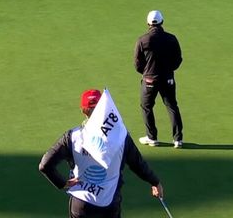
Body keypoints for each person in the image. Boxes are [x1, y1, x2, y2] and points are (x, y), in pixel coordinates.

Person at [39, 89, 164, 218]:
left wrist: (62, 183)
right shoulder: (121, 136)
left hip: (81, 204)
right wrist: (155, 182)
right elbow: (138, 164)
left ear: (84, 110)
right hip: (109, 204)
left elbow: (45, 165)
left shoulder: (72, 137)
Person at [134, 10, 184, 148]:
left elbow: (137, 64)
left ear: (148, 23)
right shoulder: (171, 38)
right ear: (162, 22)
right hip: (168, 79)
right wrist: (169, 71)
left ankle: (152, 137)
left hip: (149, 80)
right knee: (172, 106)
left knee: (146, 107)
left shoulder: (142, 40)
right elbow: (178, 59)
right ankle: (178, 139)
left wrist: (146, 73)